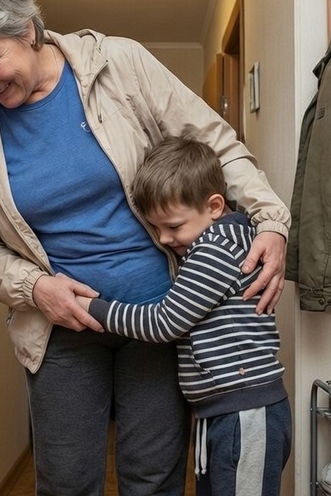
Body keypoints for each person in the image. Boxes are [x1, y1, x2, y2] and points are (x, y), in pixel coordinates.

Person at [0, 0, 291, 494]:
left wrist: (272, 221)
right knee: (65, 481)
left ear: (26, 28)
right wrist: (36, 288)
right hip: (61, 331)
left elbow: (217, 145)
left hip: (163, 318)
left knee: (152, 478)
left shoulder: (118, 63)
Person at [75, 137, 291, 496]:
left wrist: (90, 307)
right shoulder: (209, 243)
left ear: (214, 206)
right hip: (223, 409)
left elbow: (164, 322)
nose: (164, 238)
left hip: (245, 412)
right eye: (156, 228)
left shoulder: (216, 250)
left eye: (173, 227)